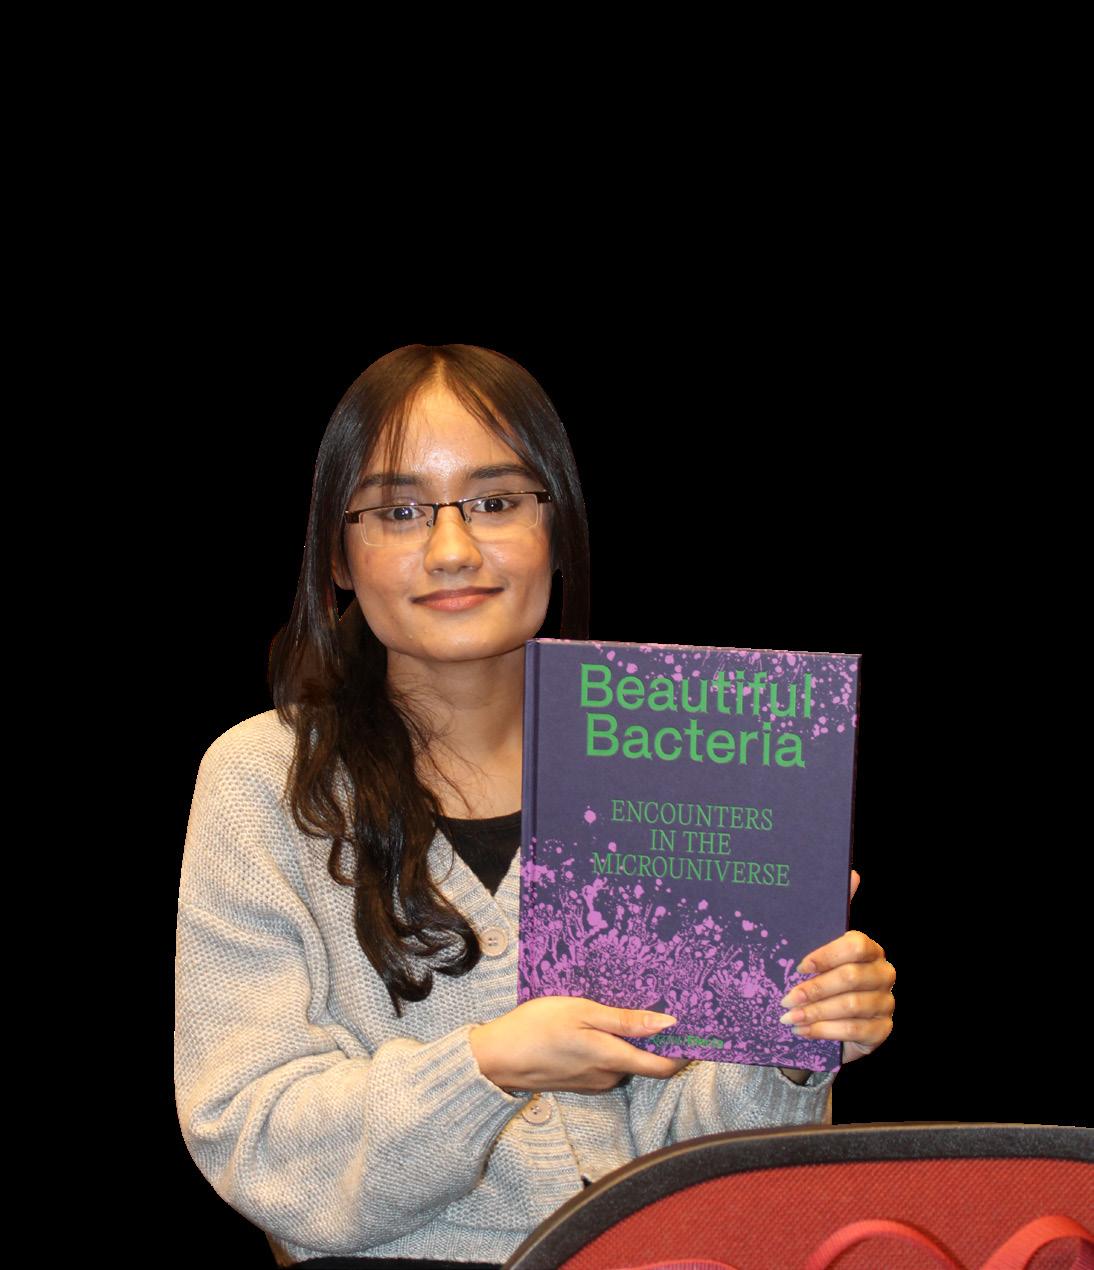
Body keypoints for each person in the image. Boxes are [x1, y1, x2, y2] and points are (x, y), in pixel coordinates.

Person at [174, 344, 896, 1269]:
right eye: (399, 511)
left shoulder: (664, 758)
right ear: (338, 556)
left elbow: (701, 1156)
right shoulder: (263, 780)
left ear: (558, 529)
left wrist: (788, 1036)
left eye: (495, 502)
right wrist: (487, 1065)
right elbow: (252, 1135)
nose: (451, 550)